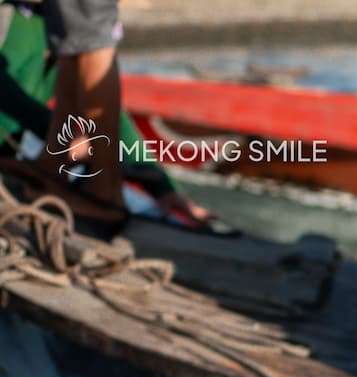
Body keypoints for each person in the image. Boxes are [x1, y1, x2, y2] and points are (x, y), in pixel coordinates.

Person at [0, 5, 223, 230]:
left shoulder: (54, 27)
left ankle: (89, 190)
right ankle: (91, 192)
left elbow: (106, 110)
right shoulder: (20, 22)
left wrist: (164, 188)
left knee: (90, 37)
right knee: (90, 37)